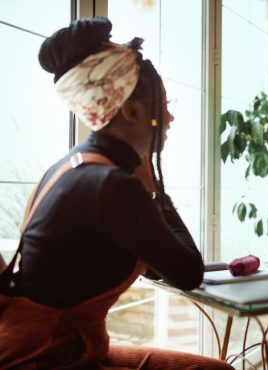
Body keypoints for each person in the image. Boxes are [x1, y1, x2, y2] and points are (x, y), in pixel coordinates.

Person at [0, 17, 233, 370]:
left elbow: (157, 267)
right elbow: (188, 272)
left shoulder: (70, 167)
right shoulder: (112, 186)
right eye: (163, 103)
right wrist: (156, 191)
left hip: (71, 345)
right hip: (48, 358)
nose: (169, 118)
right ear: (131, 110)